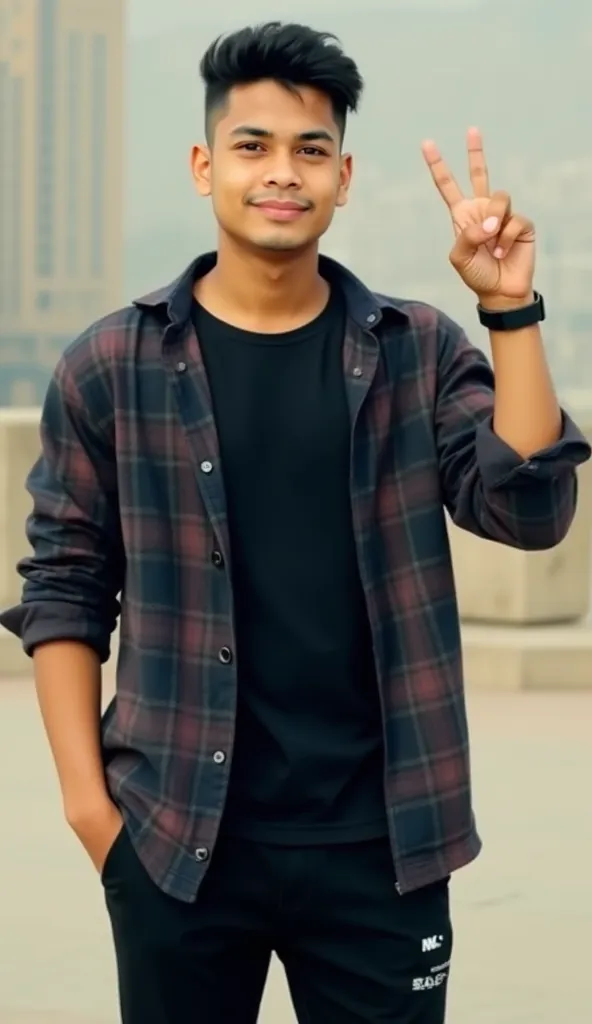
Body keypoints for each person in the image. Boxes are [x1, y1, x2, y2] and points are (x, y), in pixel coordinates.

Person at [2, 20, 589, 1024]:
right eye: (253, 146)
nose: (282, 172)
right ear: (204, 166)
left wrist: (511, 310)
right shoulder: (113, 366)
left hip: (383, 846)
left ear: (344, 177)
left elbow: (527, 507)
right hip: (177, 837)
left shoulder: (413, 350)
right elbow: (63, 587)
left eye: (309, 150)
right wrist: (94, 815)